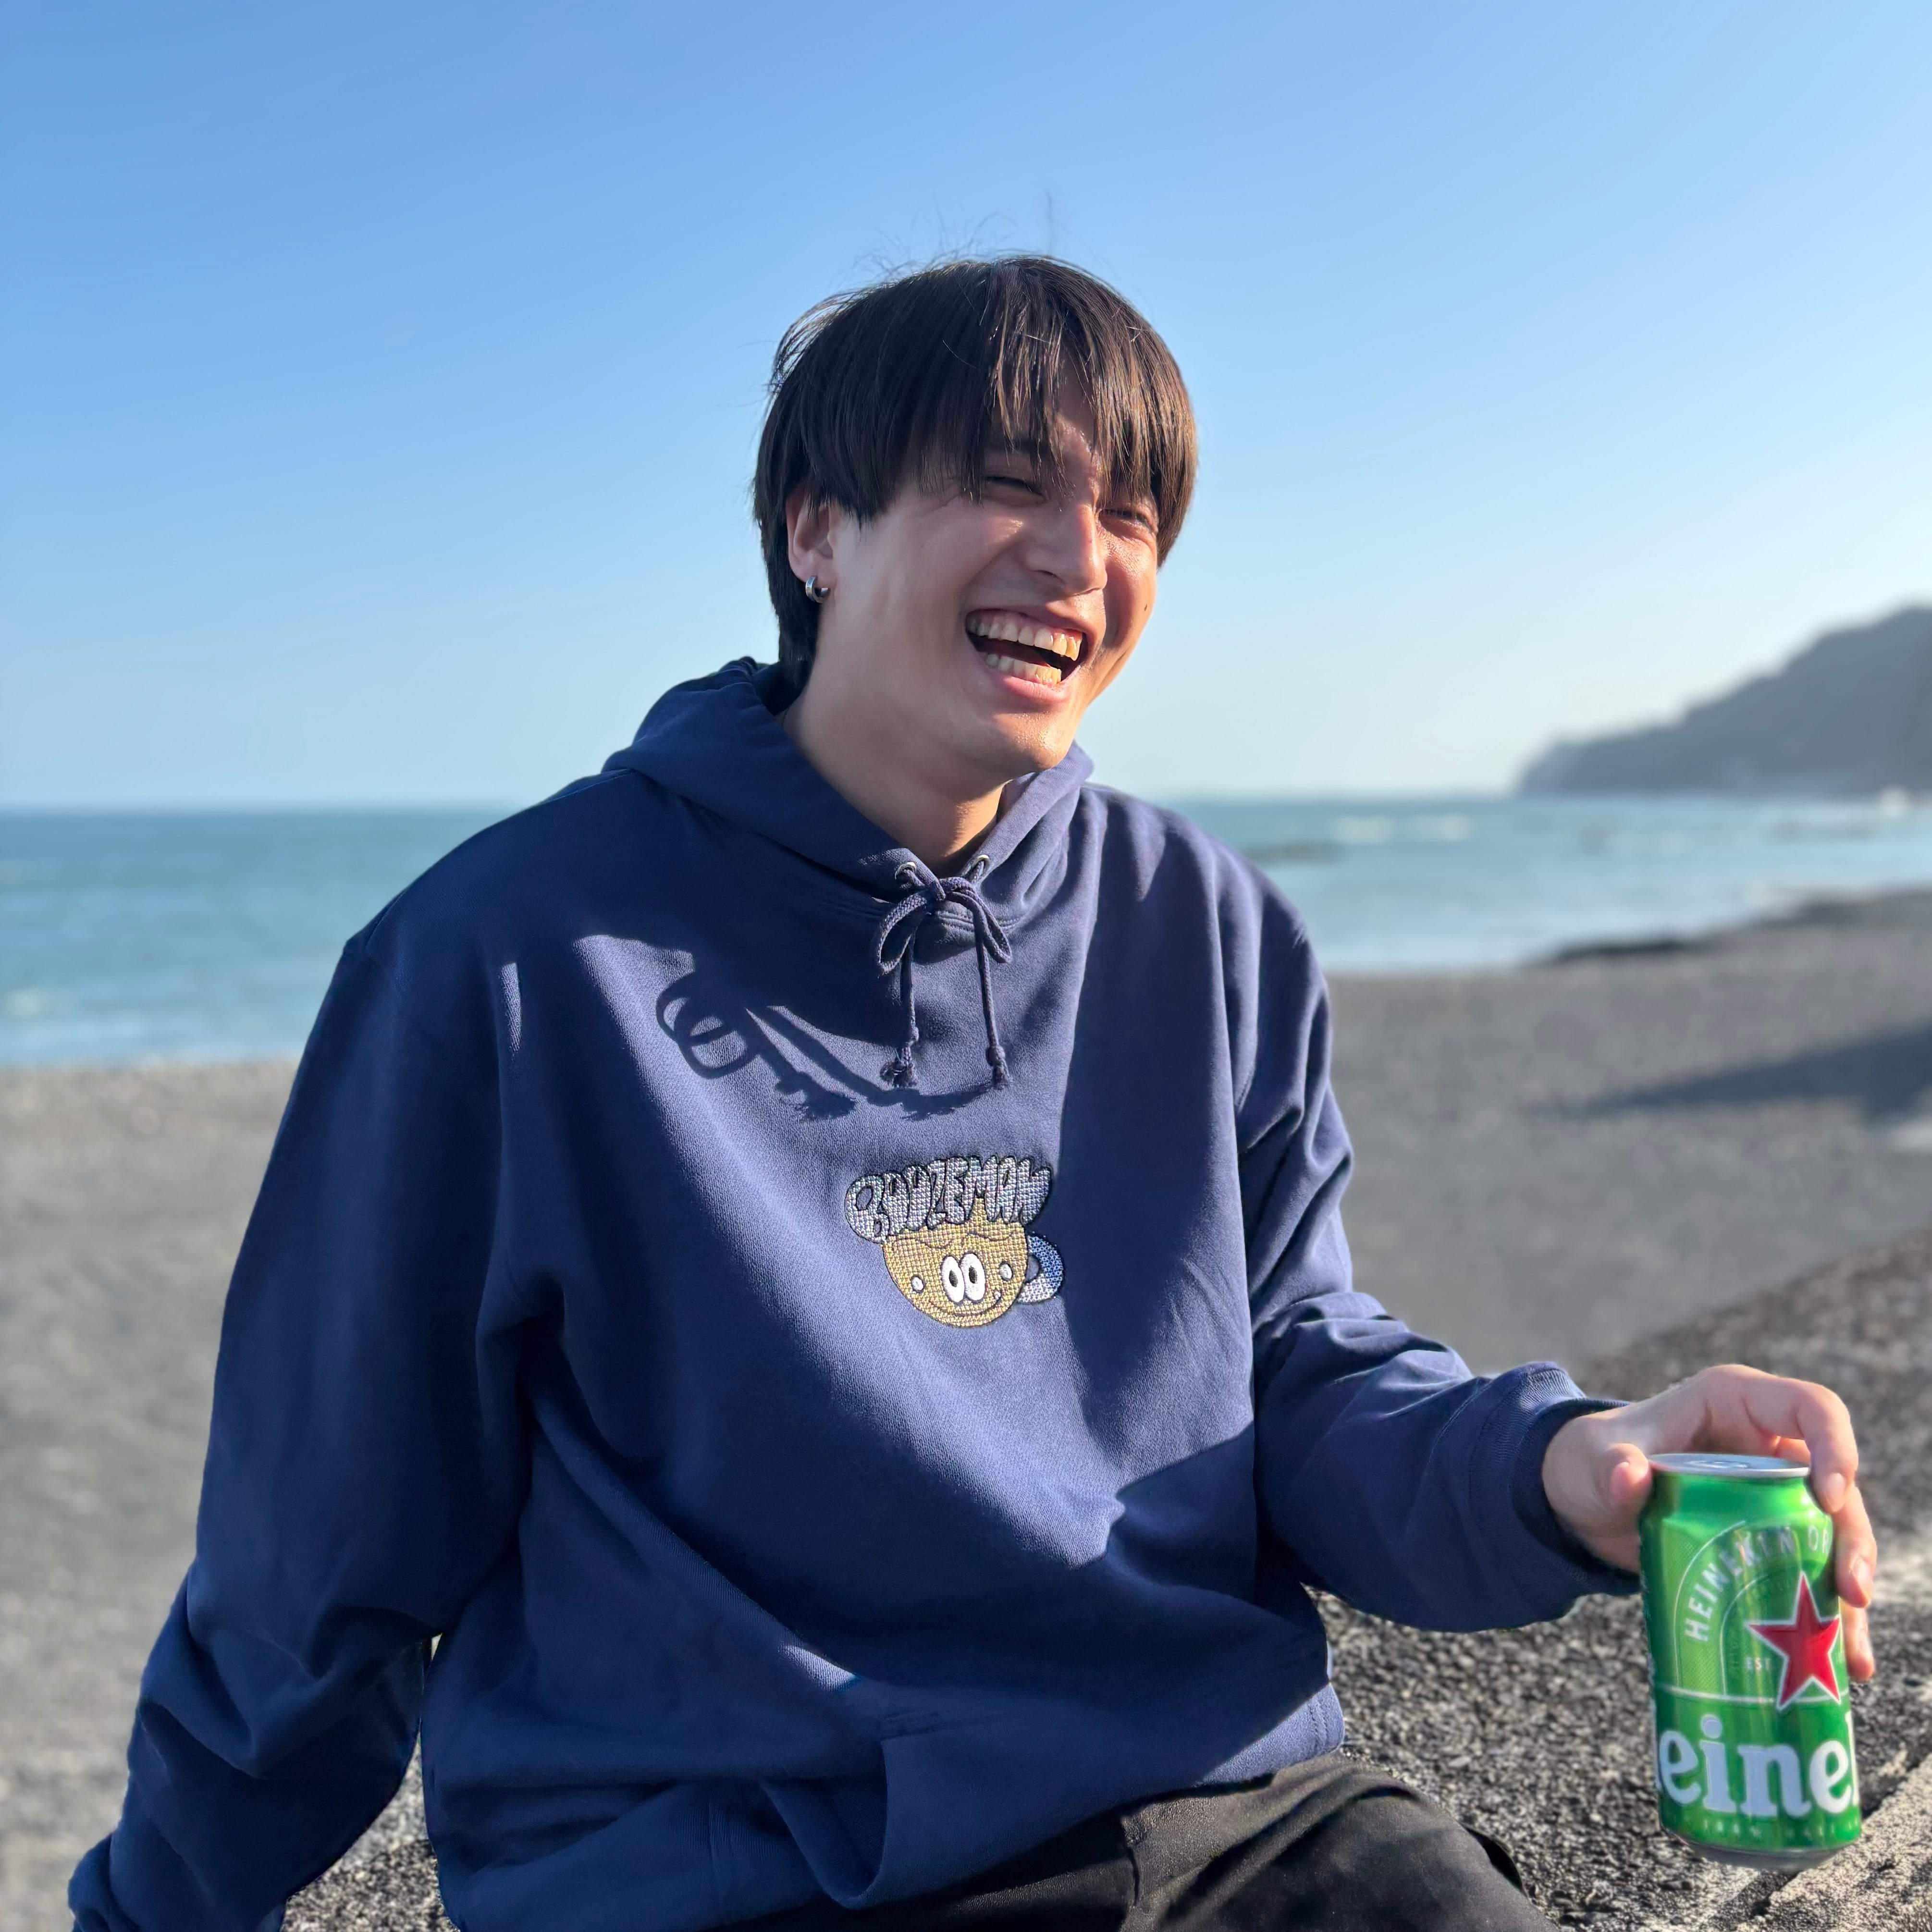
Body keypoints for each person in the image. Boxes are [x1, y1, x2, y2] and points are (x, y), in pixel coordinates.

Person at [71, 257, 1877, 1932]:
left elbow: (1291, 1370)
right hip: (742, 1865)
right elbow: (323, 1548)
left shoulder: (1207, 924)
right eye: (1010, 485)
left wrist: (1565, 1467)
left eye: (1135, 513)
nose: (1079, 558)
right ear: (817, 529)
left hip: (1228, 1819)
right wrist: (160, 1907)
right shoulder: (507, 961)